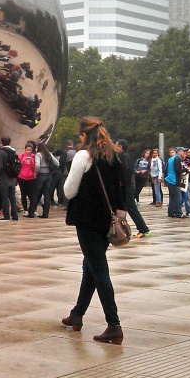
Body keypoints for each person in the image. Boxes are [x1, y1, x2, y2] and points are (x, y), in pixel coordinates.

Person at [61, 117, 125, 345]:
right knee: (90, 266)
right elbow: (121, 190)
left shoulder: (83, 156)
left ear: (83, 135)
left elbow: (69, 191)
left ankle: (114, 324)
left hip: (87, 220)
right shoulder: (112, 156)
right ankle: (77, 314)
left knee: (99, 270)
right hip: (106, 222)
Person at [115, 139, 149, 238]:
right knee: (123, 208)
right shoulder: (126, 155)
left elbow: (126, 170)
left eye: (116, 145)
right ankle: (121, 230)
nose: (115, 147)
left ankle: (143, 229)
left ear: (120, 147)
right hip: (128, 185)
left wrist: (122, 183)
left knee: (131, 208)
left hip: (127, 186)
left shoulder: (122, 156)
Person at [28, 142, 59, 219]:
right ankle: (45, 213)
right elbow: (57, 163)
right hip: (48, 175)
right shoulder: (49, 154)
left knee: (35, 193)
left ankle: (31, 212)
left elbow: (37, 165)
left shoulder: (38, 154)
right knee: (47, 195)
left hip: (40, 175)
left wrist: (36, 171)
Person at [0, 137, 19, 221]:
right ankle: (15, 215)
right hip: (12, 177)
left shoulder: (1, 152)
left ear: (2, 143)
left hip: (4, 177)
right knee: (12, 197)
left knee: (5, 197)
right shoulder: (13, 151)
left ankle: (6, 215)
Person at [18, 141, 37, 216]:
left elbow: (34, 168)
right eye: (27, 150)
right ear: (25, 149)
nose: (28, 151)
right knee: (23, 194)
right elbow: (19, 166)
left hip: (31, 177)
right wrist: (23, 160)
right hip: (22, 177)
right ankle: (25, 209)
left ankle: (32, 209)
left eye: (30, 150)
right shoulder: (21, 156)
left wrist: (32, 162)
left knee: (31, 194)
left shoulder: (33, 156)